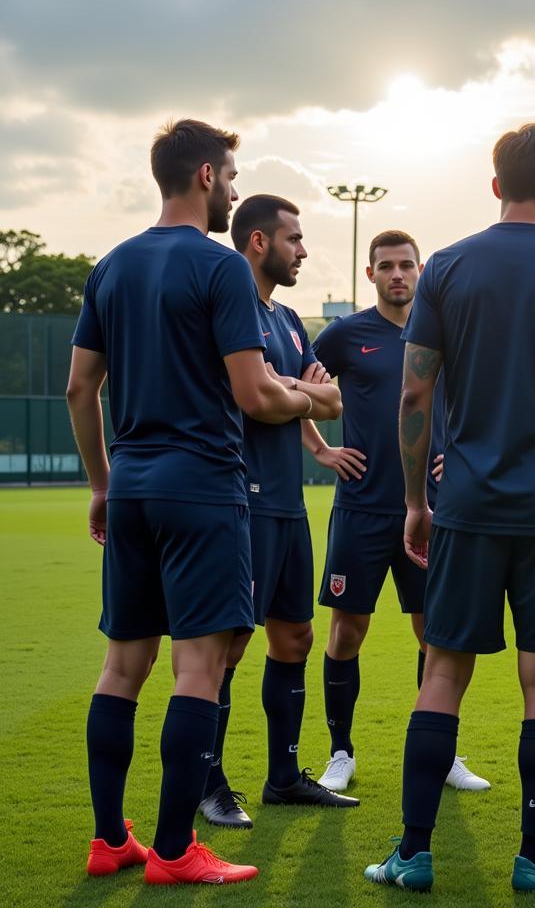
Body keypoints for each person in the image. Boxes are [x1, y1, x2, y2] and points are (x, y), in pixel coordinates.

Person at [364, 123, 535, 893]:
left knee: (441, 672)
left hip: (466, 502)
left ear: (493, 185)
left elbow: (415, 392)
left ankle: (413, 853)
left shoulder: (445, 266)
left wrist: (416, 500)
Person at [68, 120, 314, 885]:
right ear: (206, 175)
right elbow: (254, 394)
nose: (235, 191)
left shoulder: (110, 266)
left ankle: (112, 840)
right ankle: (175, 851)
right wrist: (317, 401)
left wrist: (104, 484)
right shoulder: (221, 268)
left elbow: (80, 388)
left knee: (121, 669)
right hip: (205, 489)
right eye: (233, 177)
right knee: (198, 672)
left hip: (134, 488)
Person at [196, 194, 358, 829]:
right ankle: (209, 784)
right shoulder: (228, 307)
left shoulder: (290, 319)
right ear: (259, 242)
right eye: (294, 238)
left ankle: (284, 778)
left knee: (295, 636)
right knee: (230, 646)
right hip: (242, 499)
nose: (304, 250)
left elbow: (333, 400)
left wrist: (291, 387)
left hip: (288, 505)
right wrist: (298, 390)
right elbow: (257, 401)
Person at [310, 231, 489, 794]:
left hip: (433, 513)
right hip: (361, 508)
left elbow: (476, 403)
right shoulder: (345, 335)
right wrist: (321, 449)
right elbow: (292, 387)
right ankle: (340, 752)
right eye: (386, 266)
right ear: (370, 274)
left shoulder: (445, 333)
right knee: (347, 630)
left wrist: (457, 456)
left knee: (435, 634)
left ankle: (444, 753)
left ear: (420, 271)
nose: (397, 274)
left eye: (406, 265)